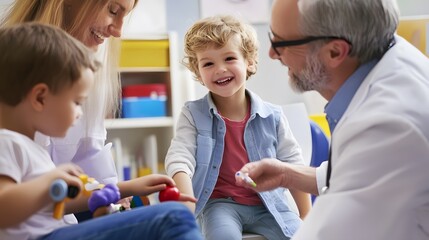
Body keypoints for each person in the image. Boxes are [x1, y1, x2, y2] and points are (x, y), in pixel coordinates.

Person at [236, 0, 429, 239]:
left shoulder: (388, 125)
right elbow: (362, 173)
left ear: (335, 52)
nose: (272, 54)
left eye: (280, 42)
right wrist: (289, 175)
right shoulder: (391, 53)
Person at [0, 22, 203, 240]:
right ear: (40, 98)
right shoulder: (6, 142)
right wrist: (49, 184)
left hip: (60, 232)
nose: (79, 113)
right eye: (76, 102)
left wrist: (126, 188)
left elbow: (53, 205)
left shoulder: (31, 148)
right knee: (174, 217)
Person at [165, 15, 311, 240]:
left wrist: (306, 215)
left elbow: (292, 163)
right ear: (198, 72)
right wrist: (186, 203)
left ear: (249, 61)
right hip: (220, 206)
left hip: (269, 205)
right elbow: (180, 157)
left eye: (229, 58)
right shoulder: (193, 114)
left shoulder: (272, 116)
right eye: (208, 63)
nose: (220, 69)